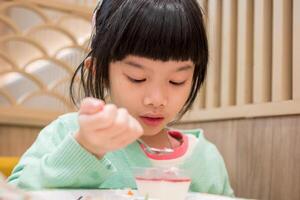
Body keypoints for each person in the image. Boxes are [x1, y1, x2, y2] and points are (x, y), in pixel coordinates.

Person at [8, 0, 234, 196]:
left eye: (177, 80)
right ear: (99, 70)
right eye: (137, 78)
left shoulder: (205, 157)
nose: (156, 99)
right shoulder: (67, 134)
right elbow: (16, 192)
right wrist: (85, 148)